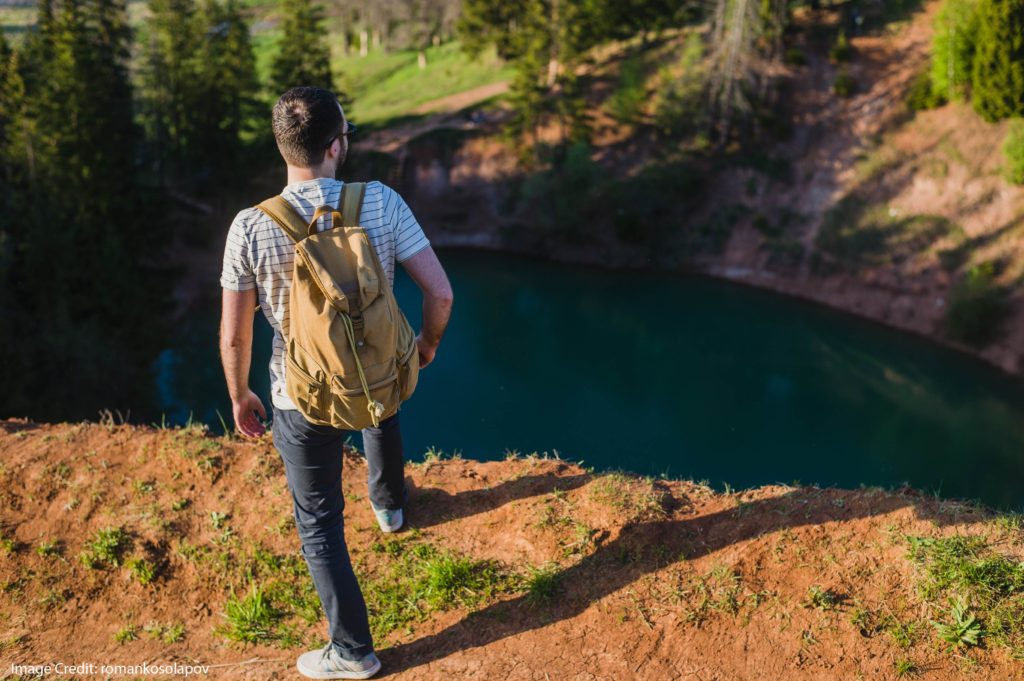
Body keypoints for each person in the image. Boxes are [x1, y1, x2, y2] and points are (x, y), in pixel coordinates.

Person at [218, 86, 453, 680]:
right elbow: (441, 292)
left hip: (299, 394)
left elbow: (234, 337)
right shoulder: (381, 201)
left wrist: (240, 393)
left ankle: (352, 651)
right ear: (334, 145)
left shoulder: (250, 227)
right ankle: (390, 505)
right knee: (377, 389)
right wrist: (425, 345)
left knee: (319, 522)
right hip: (378, 373)